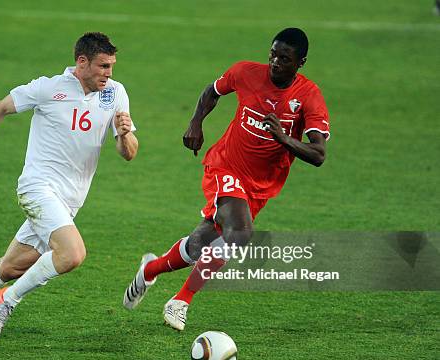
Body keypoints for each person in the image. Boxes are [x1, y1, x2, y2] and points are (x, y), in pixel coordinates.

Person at [0, 32, 139, 347]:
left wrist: (124, 135)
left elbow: (129, 154)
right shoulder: (48, 88)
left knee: (12, 266)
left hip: (69, 202)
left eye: (111, 66)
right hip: (37, 187)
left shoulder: (115, 93)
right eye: (103, 66)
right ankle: (7, 301)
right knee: (72, 253)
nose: (109, 74)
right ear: (82, 62)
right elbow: (1, 107)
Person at [123, 28, 330, 331]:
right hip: (225, 166)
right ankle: (180, 301)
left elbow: (318, 154)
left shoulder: (309, 97)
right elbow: (212, 91)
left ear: (301, 62)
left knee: (199, 245)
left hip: (261, 186)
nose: (275, 62)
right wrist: (195, 123)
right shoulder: (245, 72)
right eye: (273, 54)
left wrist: (284, 138)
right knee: (241, 232)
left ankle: (149, 269)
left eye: (284, 59)